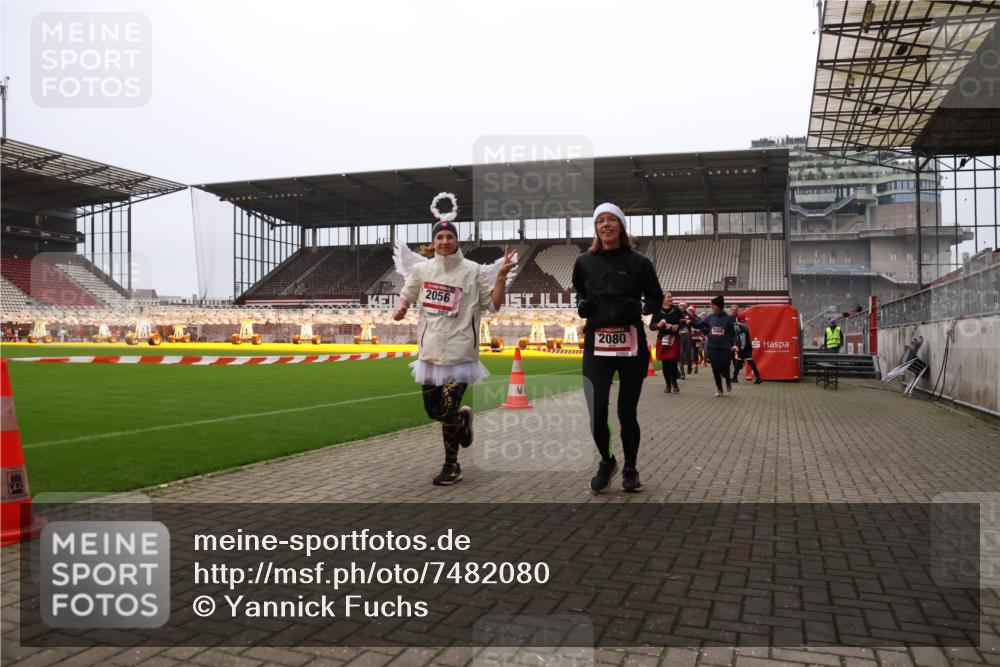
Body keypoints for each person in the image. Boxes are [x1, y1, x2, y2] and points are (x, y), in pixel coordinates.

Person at [393, 210, 517, 486]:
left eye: (450, 236)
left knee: (447, 406)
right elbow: (407, 294)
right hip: (430, 353)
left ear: (457, 241)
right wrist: (401, 307)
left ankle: (452, 465)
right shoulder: (422, 270)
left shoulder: (473, 270)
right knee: (434, 411)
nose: (445, 241)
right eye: (440, 237)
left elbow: (493, 305)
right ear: (434, 241)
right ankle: (462, 419)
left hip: (461, 354)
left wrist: (500, 278)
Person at [572, 202, 663, 493]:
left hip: (631, 344)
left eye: (611, 220)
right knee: (596, 410)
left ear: (621, 226)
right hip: (597, 342)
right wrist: (582, 304)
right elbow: (580, 292)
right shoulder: (584, 262)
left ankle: (630, 469)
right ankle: (607, 460)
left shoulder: (640, 263)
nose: (606, 225)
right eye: (600, 221)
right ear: (596, 228)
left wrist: (643, 307)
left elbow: (656, 297)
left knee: (627, 412)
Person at [692, 295, 739, 397]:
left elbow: (733, 333)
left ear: (719, 306)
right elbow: (699, 325)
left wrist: (735, 345)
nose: (711, 307)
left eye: (713, 305)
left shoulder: (729, 318)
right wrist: (689, 321)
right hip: (712, 348)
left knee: (724, 367)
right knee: (715, 369)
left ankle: (728, 380)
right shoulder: (710, 317)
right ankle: (719, 389)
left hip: (725, 348)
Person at [650, 292, 686, 394]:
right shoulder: (657, 310)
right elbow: (652, 326)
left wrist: (678, 326)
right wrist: (657, 325)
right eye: (668, 297)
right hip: (662, 339)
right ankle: (668, 385)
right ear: (663, 299)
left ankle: (674, 382)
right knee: (665, 363)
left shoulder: (677, 310)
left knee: (672, 361)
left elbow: (683, 322)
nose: (671, 298)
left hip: (674, 339)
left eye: (671, 297)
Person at [731, 307, 763, 385]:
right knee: (749, 361)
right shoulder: (744, 325)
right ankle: (758, 378)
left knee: (739, 361)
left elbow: (742, 337)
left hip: (744, 346)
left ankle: (735, 378)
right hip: (748, 345)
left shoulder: (739, 326)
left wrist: (742, 346)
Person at [677, 301, 691, 380]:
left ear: (686, 307)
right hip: (679, 336)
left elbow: (688, 323)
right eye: (681, 306)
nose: (682, 307)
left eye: (683, 306)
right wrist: (683, 321)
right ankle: (682, 373)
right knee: (681, 354)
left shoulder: (688, 314)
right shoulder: (676, 314)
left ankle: (689, 366)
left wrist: (682, 321)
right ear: (679, 307)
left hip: (687, 335)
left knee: (688, 353)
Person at [687, 306, 702, 374]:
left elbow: (701, 326)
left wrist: (696, 330)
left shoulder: (698, 318)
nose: (690, 311)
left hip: (697, 338)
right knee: (689, 352)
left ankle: (696, 366)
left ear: (694, 311)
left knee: (696, 352)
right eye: (689, 310)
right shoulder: (687, 317)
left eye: (692, 310)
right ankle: (690, 366)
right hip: (689, 338)